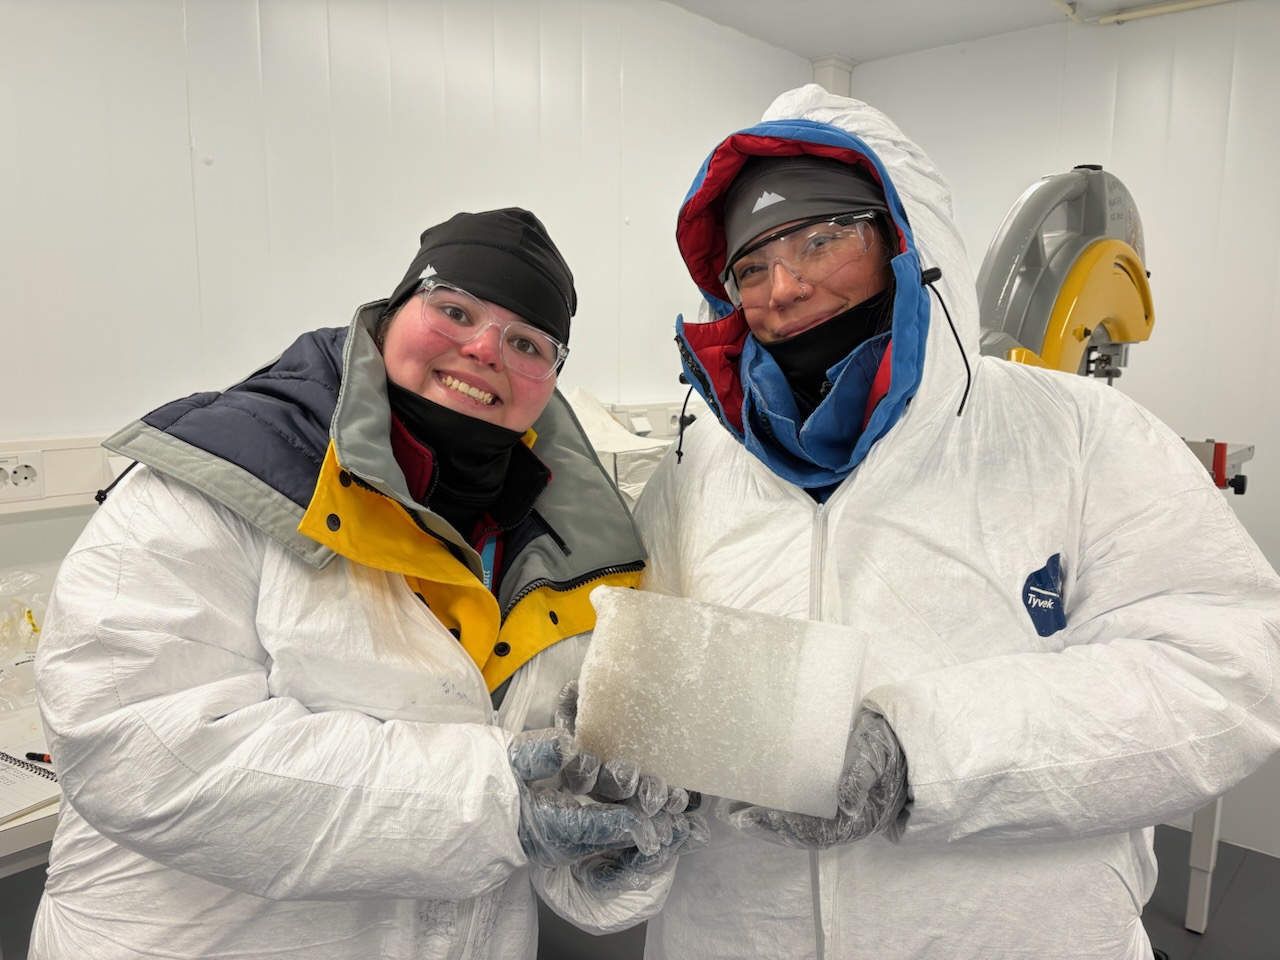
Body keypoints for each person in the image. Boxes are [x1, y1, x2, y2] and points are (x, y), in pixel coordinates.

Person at [620, 85, 1280, 958]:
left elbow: (1221, 675)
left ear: (905, 239)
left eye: (822, 238)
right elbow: (648, 698)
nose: (784, 287)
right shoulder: (692, 471)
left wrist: (916, 757)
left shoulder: (1080, 433)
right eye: (749, 267)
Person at [30, 207, 700, 960]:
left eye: (527, 343)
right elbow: (140, 747)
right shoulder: (215, 480)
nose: (484, 350)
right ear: (388, 319)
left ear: (551, 382)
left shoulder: (575, 552)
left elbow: (546, 809)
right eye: (455, 311)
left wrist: (611, 852)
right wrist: (499, 803)